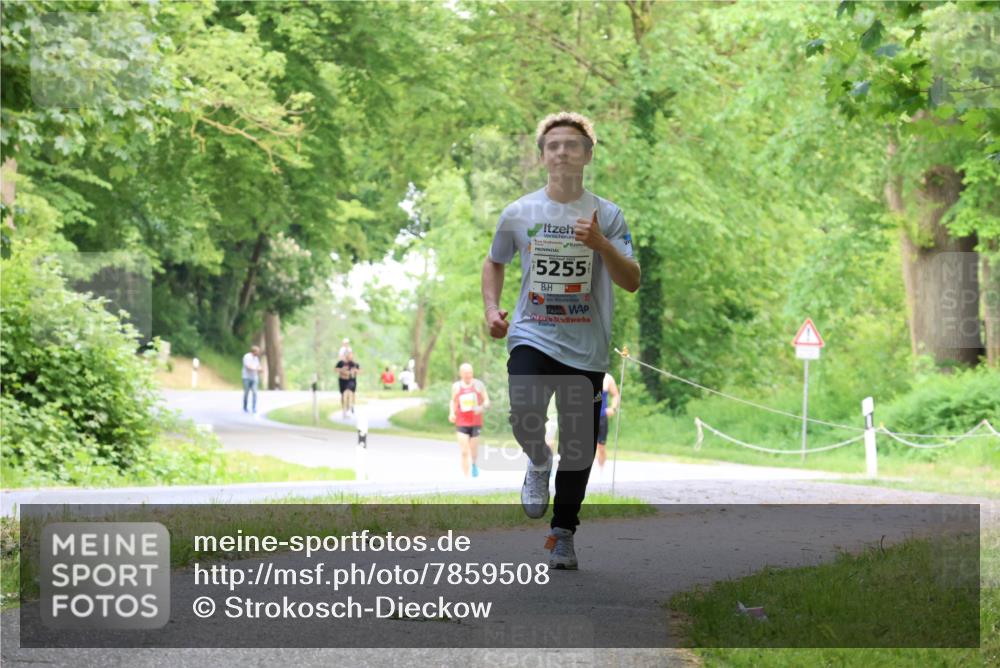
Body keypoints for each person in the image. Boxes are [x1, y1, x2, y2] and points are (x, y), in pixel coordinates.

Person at [481, 111, 640, 570]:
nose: (562, 152)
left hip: (586, 344)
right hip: (531, 331)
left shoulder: (607, 215)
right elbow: (494, 261)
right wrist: (492, 310)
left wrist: (602, 245)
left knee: (580, 443)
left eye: (572, 145)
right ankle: (536, 459)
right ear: (542, 157)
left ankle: (563, 533)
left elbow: (631, 281)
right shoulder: (520, 212)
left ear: (588, 155)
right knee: (524, 411)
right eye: (553, 146)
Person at [447, 363, 490, 478]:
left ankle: (474, 464)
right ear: (461, 374)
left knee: (473, 451)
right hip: (461, 422)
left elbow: (487, 402)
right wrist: (451, 413)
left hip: (476, 423)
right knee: (464, 451)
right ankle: (466, 477)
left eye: (470, 372)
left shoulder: (478, 385)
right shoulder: (456, 386)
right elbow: (453, 401)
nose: (469, 375)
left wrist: (481, 408)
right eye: (466, 373)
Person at [596, 372, 620, 471]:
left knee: (601, 447)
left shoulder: (608, 378)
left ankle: (601, 470)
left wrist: (613, 408)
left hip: (601, 416)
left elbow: (616, 395)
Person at [335, 351, 360, 418]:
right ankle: (345, 409)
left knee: (348, 394)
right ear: (346, 356)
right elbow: (336, 369)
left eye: (351, 356)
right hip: (342, 381)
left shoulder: (354, 364)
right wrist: (342, 370)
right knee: (343, 395)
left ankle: (349, 407)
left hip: (351, 381)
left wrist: (354, 371)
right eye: (349, 355)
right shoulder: (341, 363)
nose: (350, 357)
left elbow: (359, 371)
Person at [241, 345, 262, 414]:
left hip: (254, 378)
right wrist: (256, 369)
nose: (258, 353)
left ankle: (254, 408)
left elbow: (259, 366)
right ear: (254, 351)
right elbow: (248, 367)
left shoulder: (256, 358)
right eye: (257, 352)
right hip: (246, 377)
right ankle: (245, 407)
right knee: (246, 393)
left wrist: (260, 369)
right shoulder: (247, 357)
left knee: (255, 392)